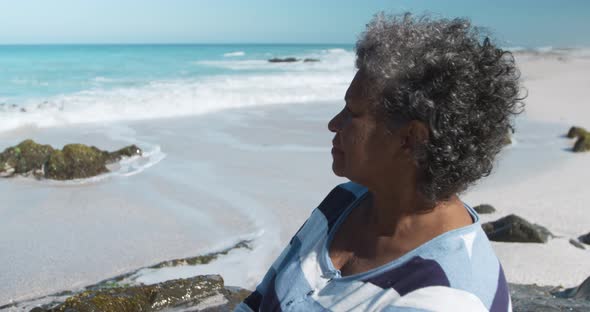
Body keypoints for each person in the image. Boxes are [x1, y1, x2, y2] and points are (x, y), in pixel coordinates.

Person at [236, 12, 523, 312]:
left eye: (352, 112)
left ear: (411, 138)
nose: (334, 124)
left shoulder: (444, 297)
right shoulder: (345, 202)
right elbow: (257, 304)